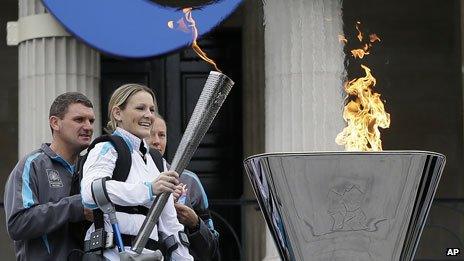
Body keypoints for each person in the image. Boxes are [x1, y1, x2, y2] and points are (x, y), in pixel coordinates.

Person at [80, 84, 193, 260]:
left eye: (152, 109)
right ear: (118, 113)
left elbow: (170, 225)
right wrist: (148, 190)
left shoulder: (157, 160)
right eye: (140, 108)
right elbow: (91, 191)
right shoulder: (107, 148)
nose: (148, 115)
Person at [4, 92, 95, 260]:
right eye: (79, 120)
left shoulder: (94, 168)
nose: (88, 126)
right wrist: (76, 206)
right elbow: (17, 224)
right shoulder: (32, 165)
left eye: (91, 121)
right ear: (55, 123)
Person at [148, 115, 220, 261]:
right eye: (150, 134)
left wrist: (195, 223)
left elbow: (212, 248)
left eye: (162, 135)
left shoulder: (189, 180)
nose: (156, 141)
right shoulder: (126, 179)